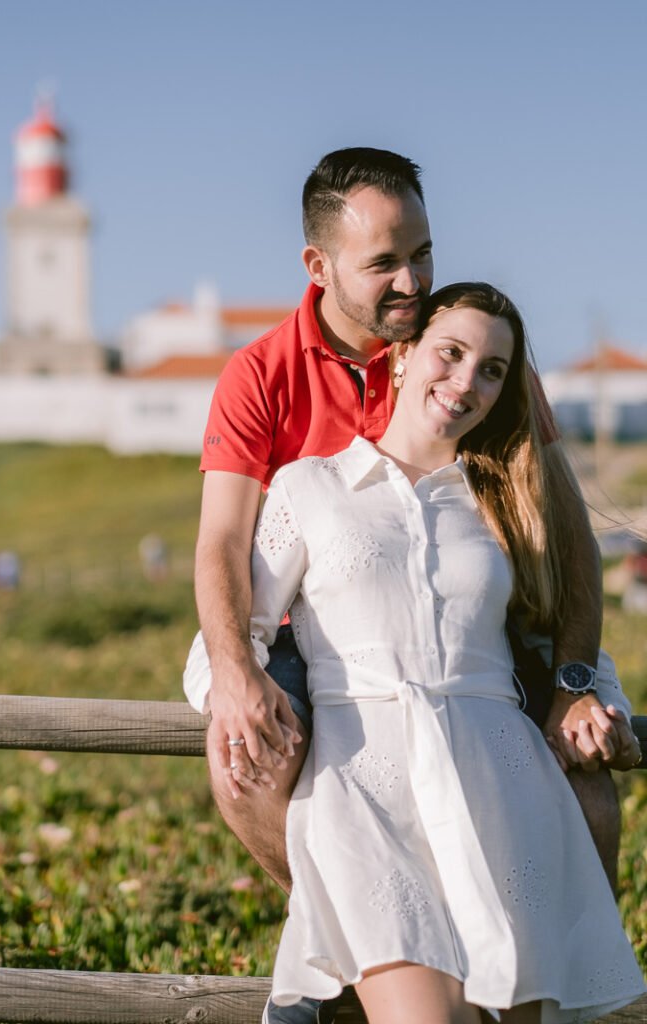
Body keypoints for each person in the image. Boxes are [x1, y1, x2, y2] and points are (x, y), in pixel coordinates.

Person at [187, 149, 639, 1023]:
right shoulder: (264, 373)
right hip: (323, 617)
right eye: (385, 262)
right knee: (243, 761)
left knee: (586, 789)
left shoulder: (462, 343)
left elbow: (568, 538)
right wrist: (236, 675)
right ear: (319, 267)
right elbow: (223, 544)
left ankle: (547, 965)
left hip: (466, 616)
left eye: (422, 252)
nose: (411, 279)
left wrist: (577, 681)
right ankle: (366, 934)